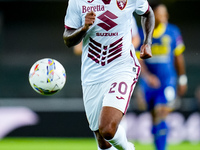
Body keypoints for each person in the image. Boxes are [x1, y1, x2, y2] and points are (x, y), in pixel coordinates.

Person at [63, 0, 155, 150]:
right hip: (92, 75)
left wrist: (147, 42)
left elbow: (147, 13)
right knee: (103, 141)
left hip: (122, 67)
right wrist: (84, 28)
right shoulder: (78, 2)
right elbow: (68, 39)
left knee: (107, 129)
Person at [136, 3, 187, 150]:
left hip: (167, 81)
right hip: (149, 83)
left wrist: (182, 78)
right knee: (154, 117)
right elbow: (137, 59)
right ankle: (158, 144)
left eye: (166, 14)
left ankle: (161, 148)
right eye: (161, 13)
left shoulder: (172, 31)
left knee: (161, 112)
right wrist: (147, 77)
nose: (165, 17)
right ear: (152, 14)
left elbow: (178, 57)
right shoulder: (142, 33)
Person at [73, 16, 141, 56]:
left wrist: (118, 50)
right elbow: (77, 49)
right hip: (94, 71)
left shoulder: (126, 15)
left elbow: (136, 40)